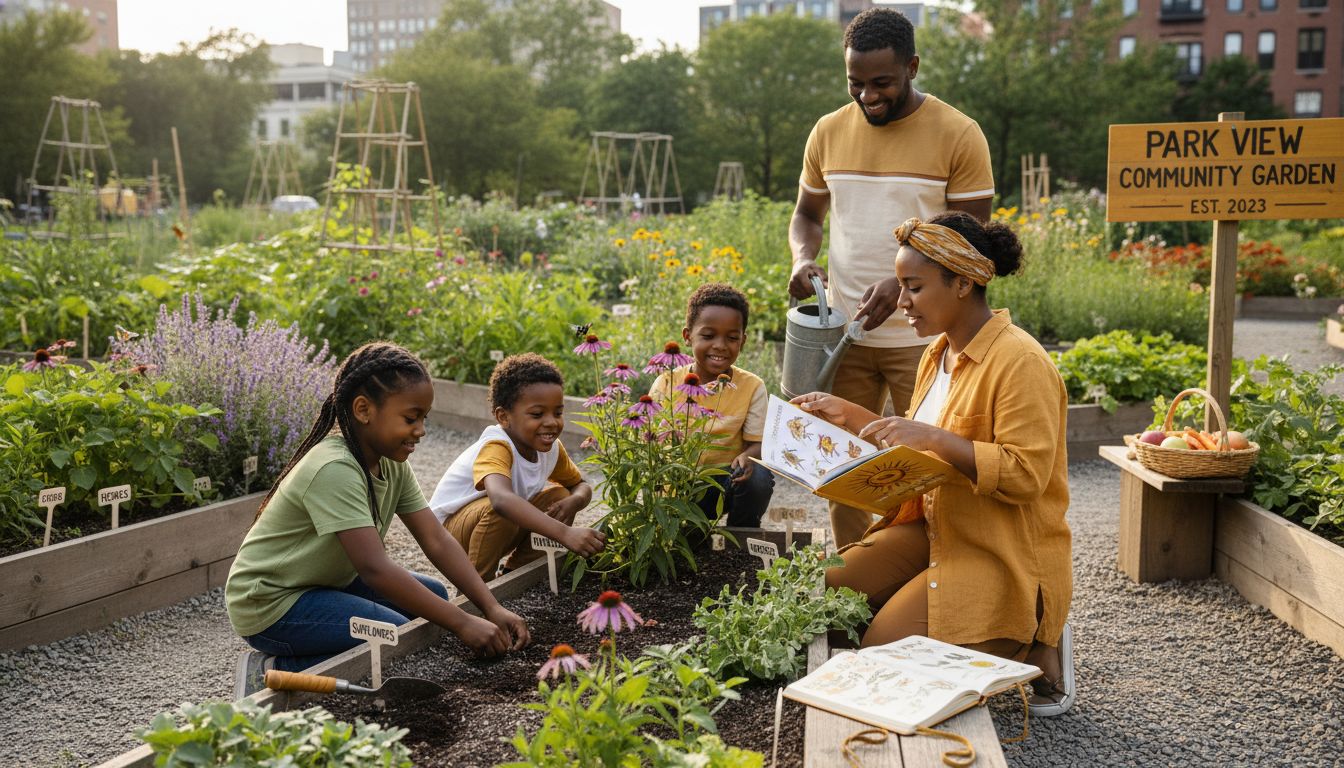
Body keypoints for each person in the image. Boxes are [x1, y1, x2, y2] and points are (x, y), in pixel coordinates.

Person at [792, 212, 1075, 716]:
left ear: (962, 283)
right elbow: (919, 448)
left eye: (914, 287)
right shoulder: (937, 353)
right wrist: (851, 417)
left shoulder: (1021, 362)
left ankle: (1034, 635)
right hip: (937, 527)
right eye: (901, 285)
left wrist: (937, 439)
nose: (901, 301)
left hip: (998, 549)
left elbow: (1026, 475)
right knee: (823, 597)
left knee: (882, 652)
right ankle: (963, 620)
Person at [789, 7, 995, 547]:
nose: (867, 96)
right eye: (855, 83)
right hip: (845, 336)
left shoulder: (958, 134)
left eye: (881, 83)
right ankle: (855, 573)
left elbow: (973, 240)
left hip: (928, 341)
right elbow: (807, 215)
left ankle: (933, 570)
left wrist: (900, 282)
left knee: (930, 468)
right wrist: (801, 258)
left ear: (912, 67)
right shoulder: (828, 131)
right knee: (844, 469)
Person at [226, 342, 530, 698]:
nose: (421, 430)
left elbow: (436, 540)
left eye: (424, 418)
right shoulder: (335, 469)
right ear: (363, 410)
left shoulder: (390, 463)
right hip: (271, 601)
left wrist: (490, 607)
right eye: (410, 418)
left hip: (322, 582)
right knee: (391, 636)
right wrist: (462, 623)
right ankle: (271, 670)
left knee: (433, 597)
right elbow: (375, 569)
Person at [430, 353, 605, 581]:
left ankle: (515, 575)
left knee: (561, 496)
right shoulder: (496, 446)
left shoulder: (550, 448)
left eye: (558, 413)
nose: (551, 422)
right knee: (501, 509)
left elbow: (580, 485)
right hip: (447, 535)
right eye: (537, 414)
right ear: (503, 417)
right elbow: (501, 500)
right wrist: (565, 533)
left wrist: (576, 501)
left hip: (493, 527)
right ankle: (476, 587)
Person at [649, 283, 774, 527]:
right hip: (677, 486)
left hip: (723, 484)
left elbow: (758, 443)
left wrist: (748, 457)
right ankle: (684, 530)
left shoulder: (752, 387)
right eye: (708, 336)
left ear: (743, 341)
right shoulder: (666, 382)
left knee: (759, 476)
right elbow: (650, 440)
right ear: (688, 336)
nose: (720, 345)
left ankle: (740, 537)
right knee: (690, 538)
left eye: (732, 338)